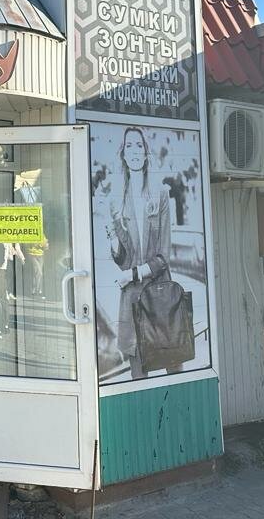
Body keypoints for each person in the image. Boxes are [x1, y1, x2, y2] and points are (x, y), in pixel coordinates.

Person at [107, 127, 181, 380]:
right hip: (133, 299)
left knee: (172, 366)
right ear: (123, 154)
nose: (134, 151)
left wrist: (132, 275)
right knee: (138, 370)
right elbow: (123, 260)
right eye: (129, 146)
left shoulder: (160, 194)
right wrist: (112, 236)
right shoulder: (117, 199)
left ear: (146, 153)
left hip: (160, 294)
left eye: (139, 145)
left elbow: (163, 257)